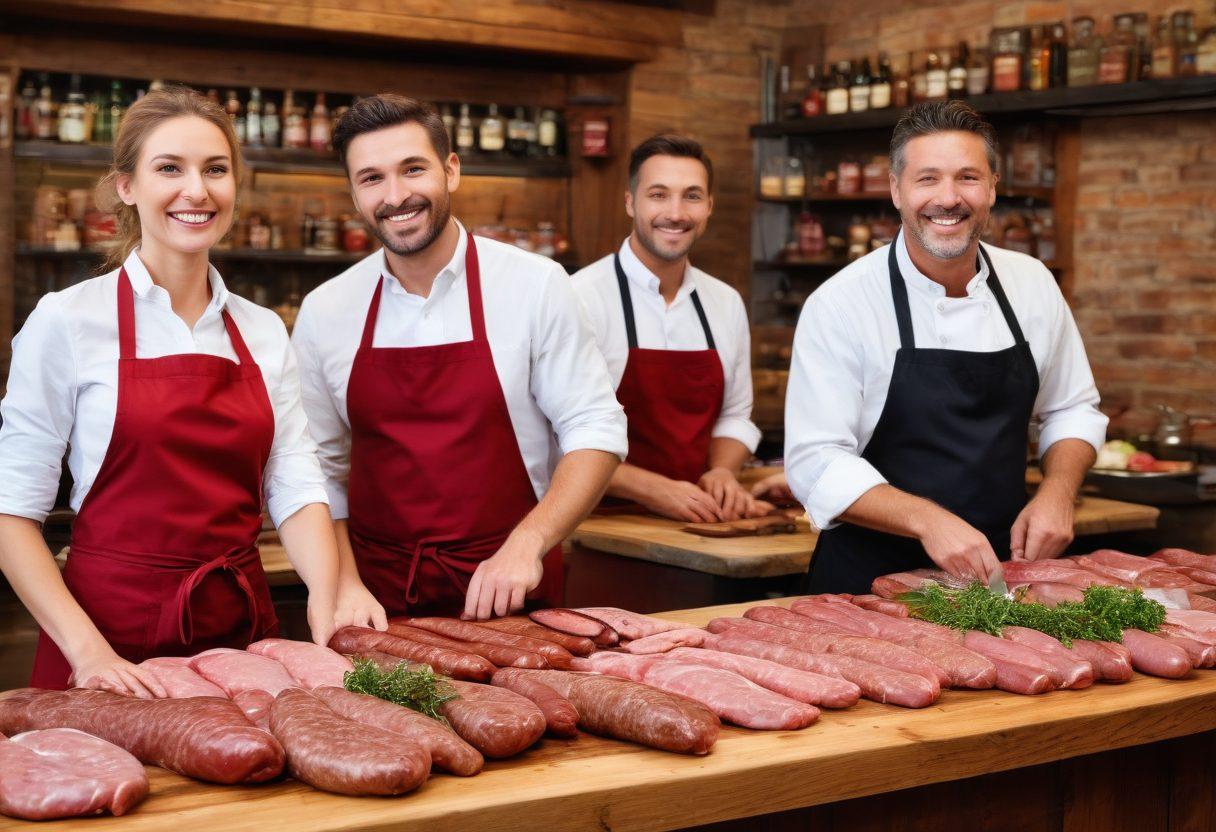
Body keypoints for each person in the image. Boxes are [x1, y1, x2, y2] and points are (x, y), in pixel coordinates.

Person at [0, 87, 379, 696]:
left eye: (216, 169)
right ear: (126, 186)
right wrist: (91, 655)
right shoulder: (68, 321)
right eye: (169, 168)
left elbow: (295, 481)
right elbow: (10, 513)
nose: (197, 191)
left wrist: (325, 598)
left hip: (240, 633)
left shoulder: (260, 330)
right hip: (105, 640)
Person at [292, 95, 626, 622]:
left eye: (413, 169)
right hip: (375, 604)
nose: (396, 195)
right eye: (372, 178)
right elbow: (318, 470)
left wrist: (528, 544)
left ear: (451, 170)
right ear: (354, 194)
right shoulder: (326, 310)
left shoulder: (535, 285)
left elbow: (595, 428)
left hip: (513, 594)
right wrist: (345, 583)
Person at [785, 100, 1108, 595]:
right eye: (928, 179)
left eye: (968, 178)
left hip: (1000, 577)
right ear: (896, 189)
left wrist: (1058, 492)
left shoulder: (1031, 283)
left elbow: (1071, 408)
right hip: (868, 586)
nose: (949, 198)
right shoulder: (841, 303)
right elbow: (815, 462)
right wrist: (926, 521)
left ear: (994, 187)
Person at [572, 135, 766, 523]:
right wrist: (651, 489)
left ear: (709, 206)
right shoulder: (579, 297)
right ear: (630, 202)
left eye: (692, 196)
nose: (676, 213)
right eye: (658, 195)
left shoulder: (724, 302)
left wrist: (723, 471)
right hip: (595, 520)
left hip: (697, 518)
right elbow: (560, 435)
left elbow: (735, 415)